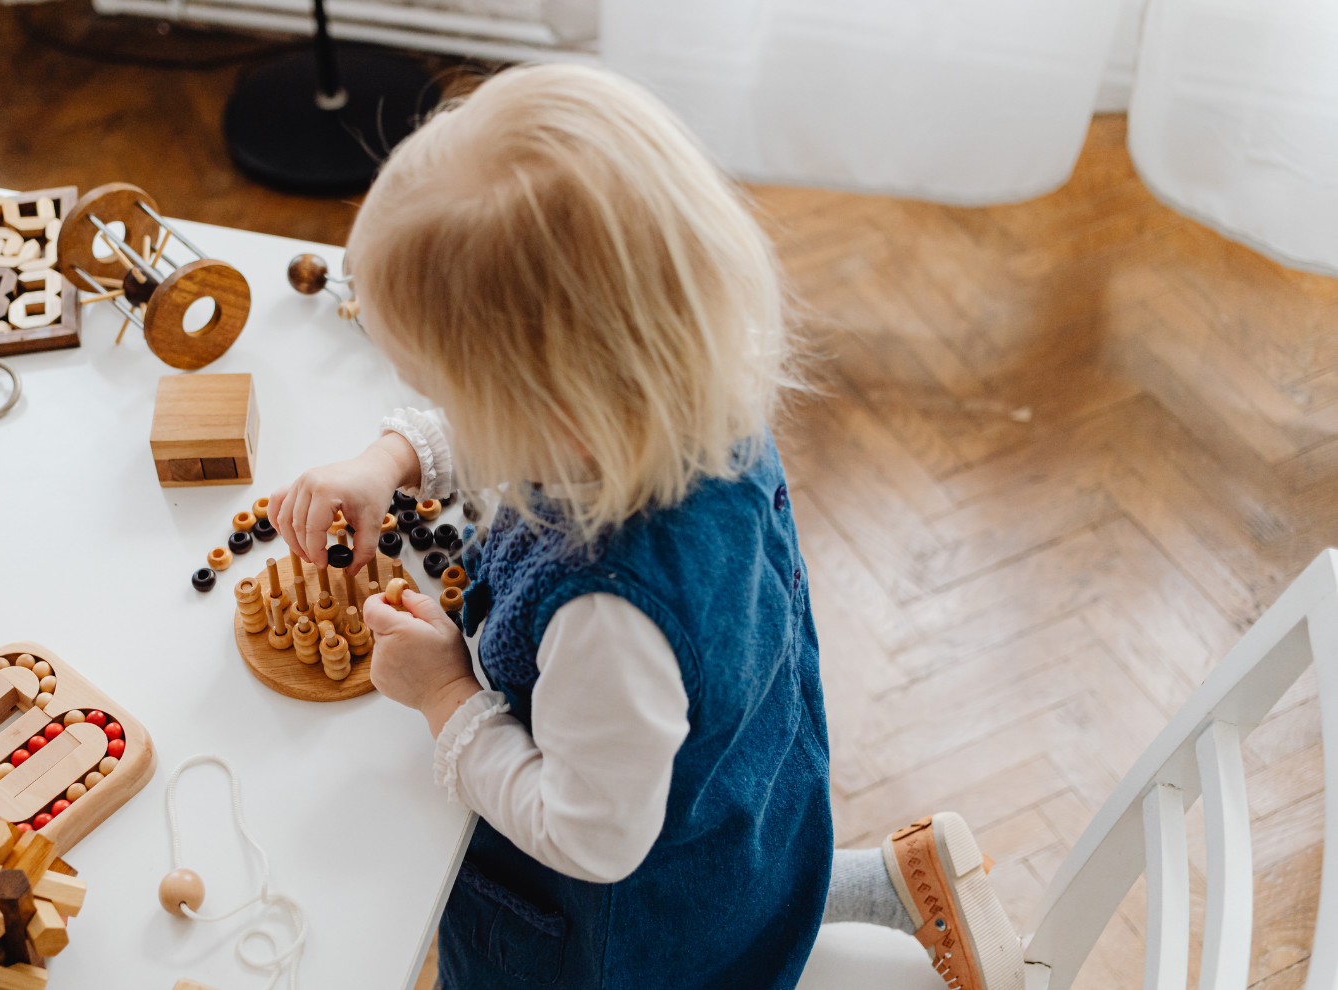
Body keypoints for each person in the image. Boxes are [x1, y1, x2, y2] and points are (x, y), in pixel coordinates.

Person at [267, 63, 1021, 990]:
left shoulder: (607, 622)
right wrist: (393, 458)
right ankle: (865, 892)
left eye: (438, 390)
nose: (427, 404)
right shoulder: (690, 393)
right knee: (736, 887)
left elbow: (589, 836)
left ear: (544, 409)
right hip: (743, 811)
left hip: (623, 940)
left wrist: (443, 699)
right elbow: (532, 430)